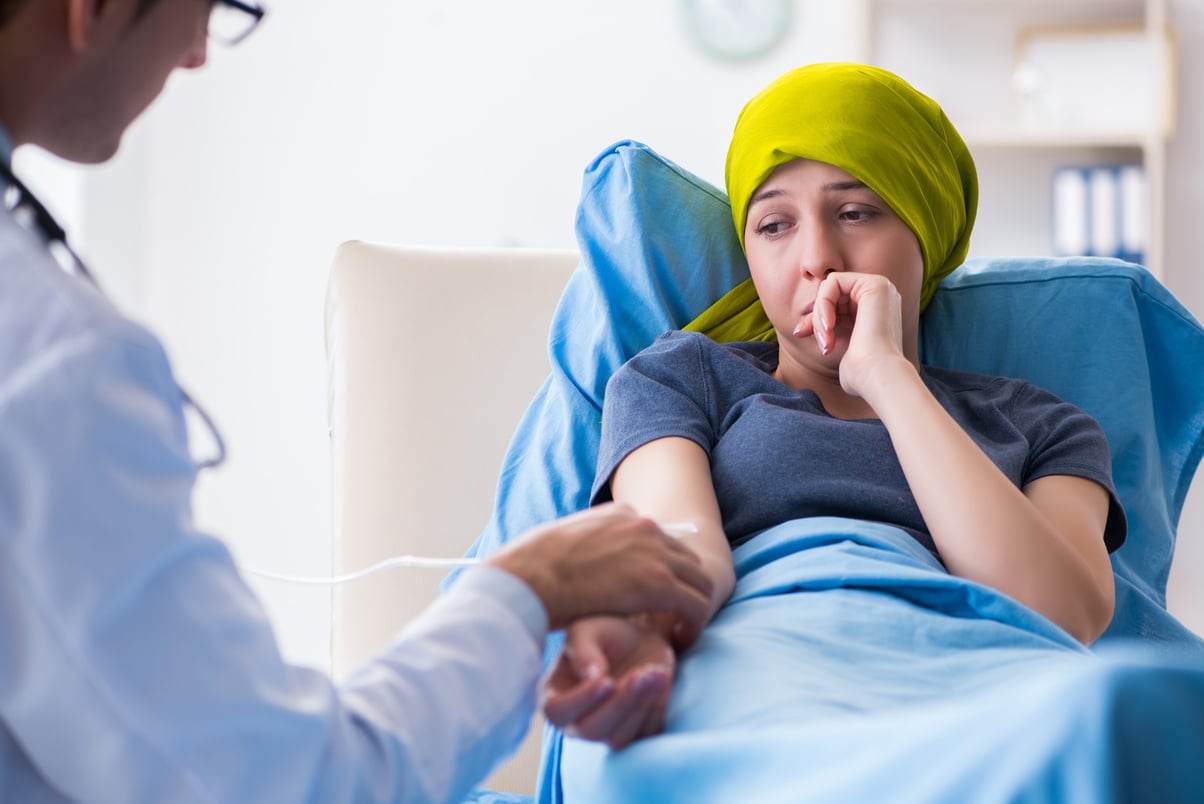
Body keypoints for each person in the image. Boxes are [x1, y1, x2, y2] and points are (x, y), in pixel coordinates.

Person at [0, 1, 714, 801]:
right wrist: (527, 589)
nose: (198, 53)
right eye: (206, 8)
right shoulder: (51, 357)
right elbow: (292, 784)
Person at [540, 62, 1127, 750]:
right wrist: (639, 623)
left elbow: (1061, 613)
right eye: (774, 225)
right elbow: (683, 548)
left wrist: (886, 376)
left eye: (856, 212)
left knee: (1132, 715)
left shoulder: (1039, 424)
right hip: (749, 679)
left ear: (926, 232)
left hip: (972, 698)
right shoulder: (680, 377)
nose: (816, 257)